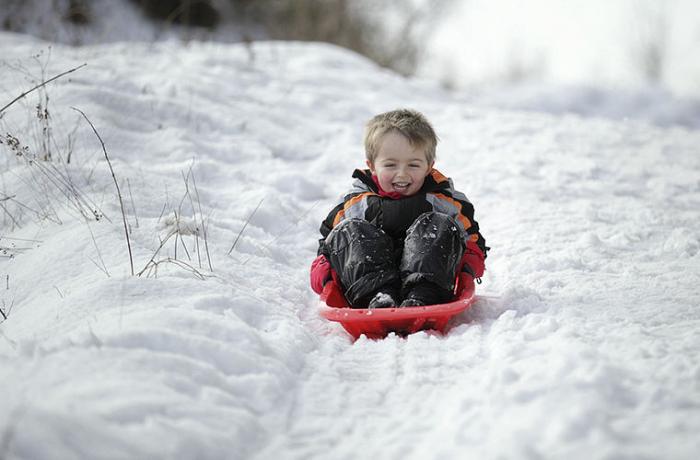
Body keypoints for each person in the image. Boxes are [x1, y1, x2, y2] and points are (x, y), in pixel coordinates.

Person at [310, 109, 488, 308]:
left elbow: (472, 239)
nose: (402, 174)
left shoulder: (444, 200)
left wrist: (468, 268)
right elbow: (330, 243)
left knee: (440, 223)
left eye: (413, 165)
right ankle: (379, 297)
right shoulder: (355, 203)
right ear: (373, 166)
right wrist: (324, 270)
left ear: (429, 166)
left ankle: (421, 295)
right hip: (368, 285)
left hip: (430, 282)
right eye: (391, 165)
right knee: (347, 229)